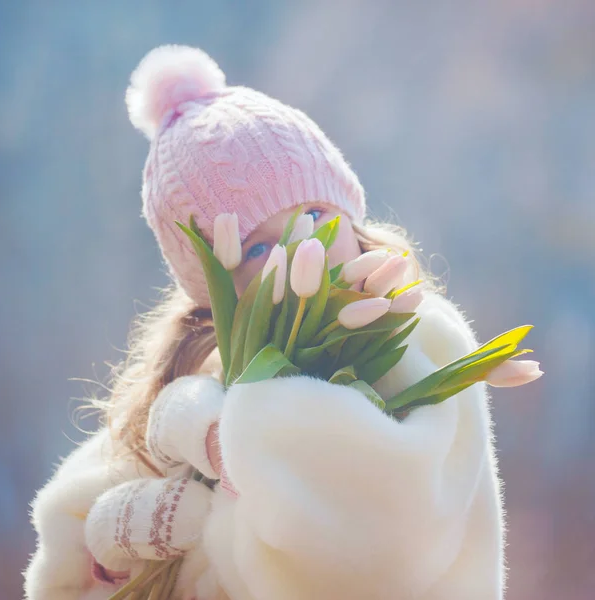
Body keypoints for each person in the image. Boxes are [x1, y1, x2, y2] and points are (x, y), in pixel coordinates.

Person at [25, 45, 505, 600]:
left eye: (315, 216)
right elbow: (84, 519)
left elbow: (375, 544)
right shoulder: (201, 367)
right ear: (213, 287)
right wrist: (105, 551)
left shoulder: (414, 335)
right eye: (255, 248)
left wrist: (218, 479)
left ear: (347, 209)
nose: (305, 248)